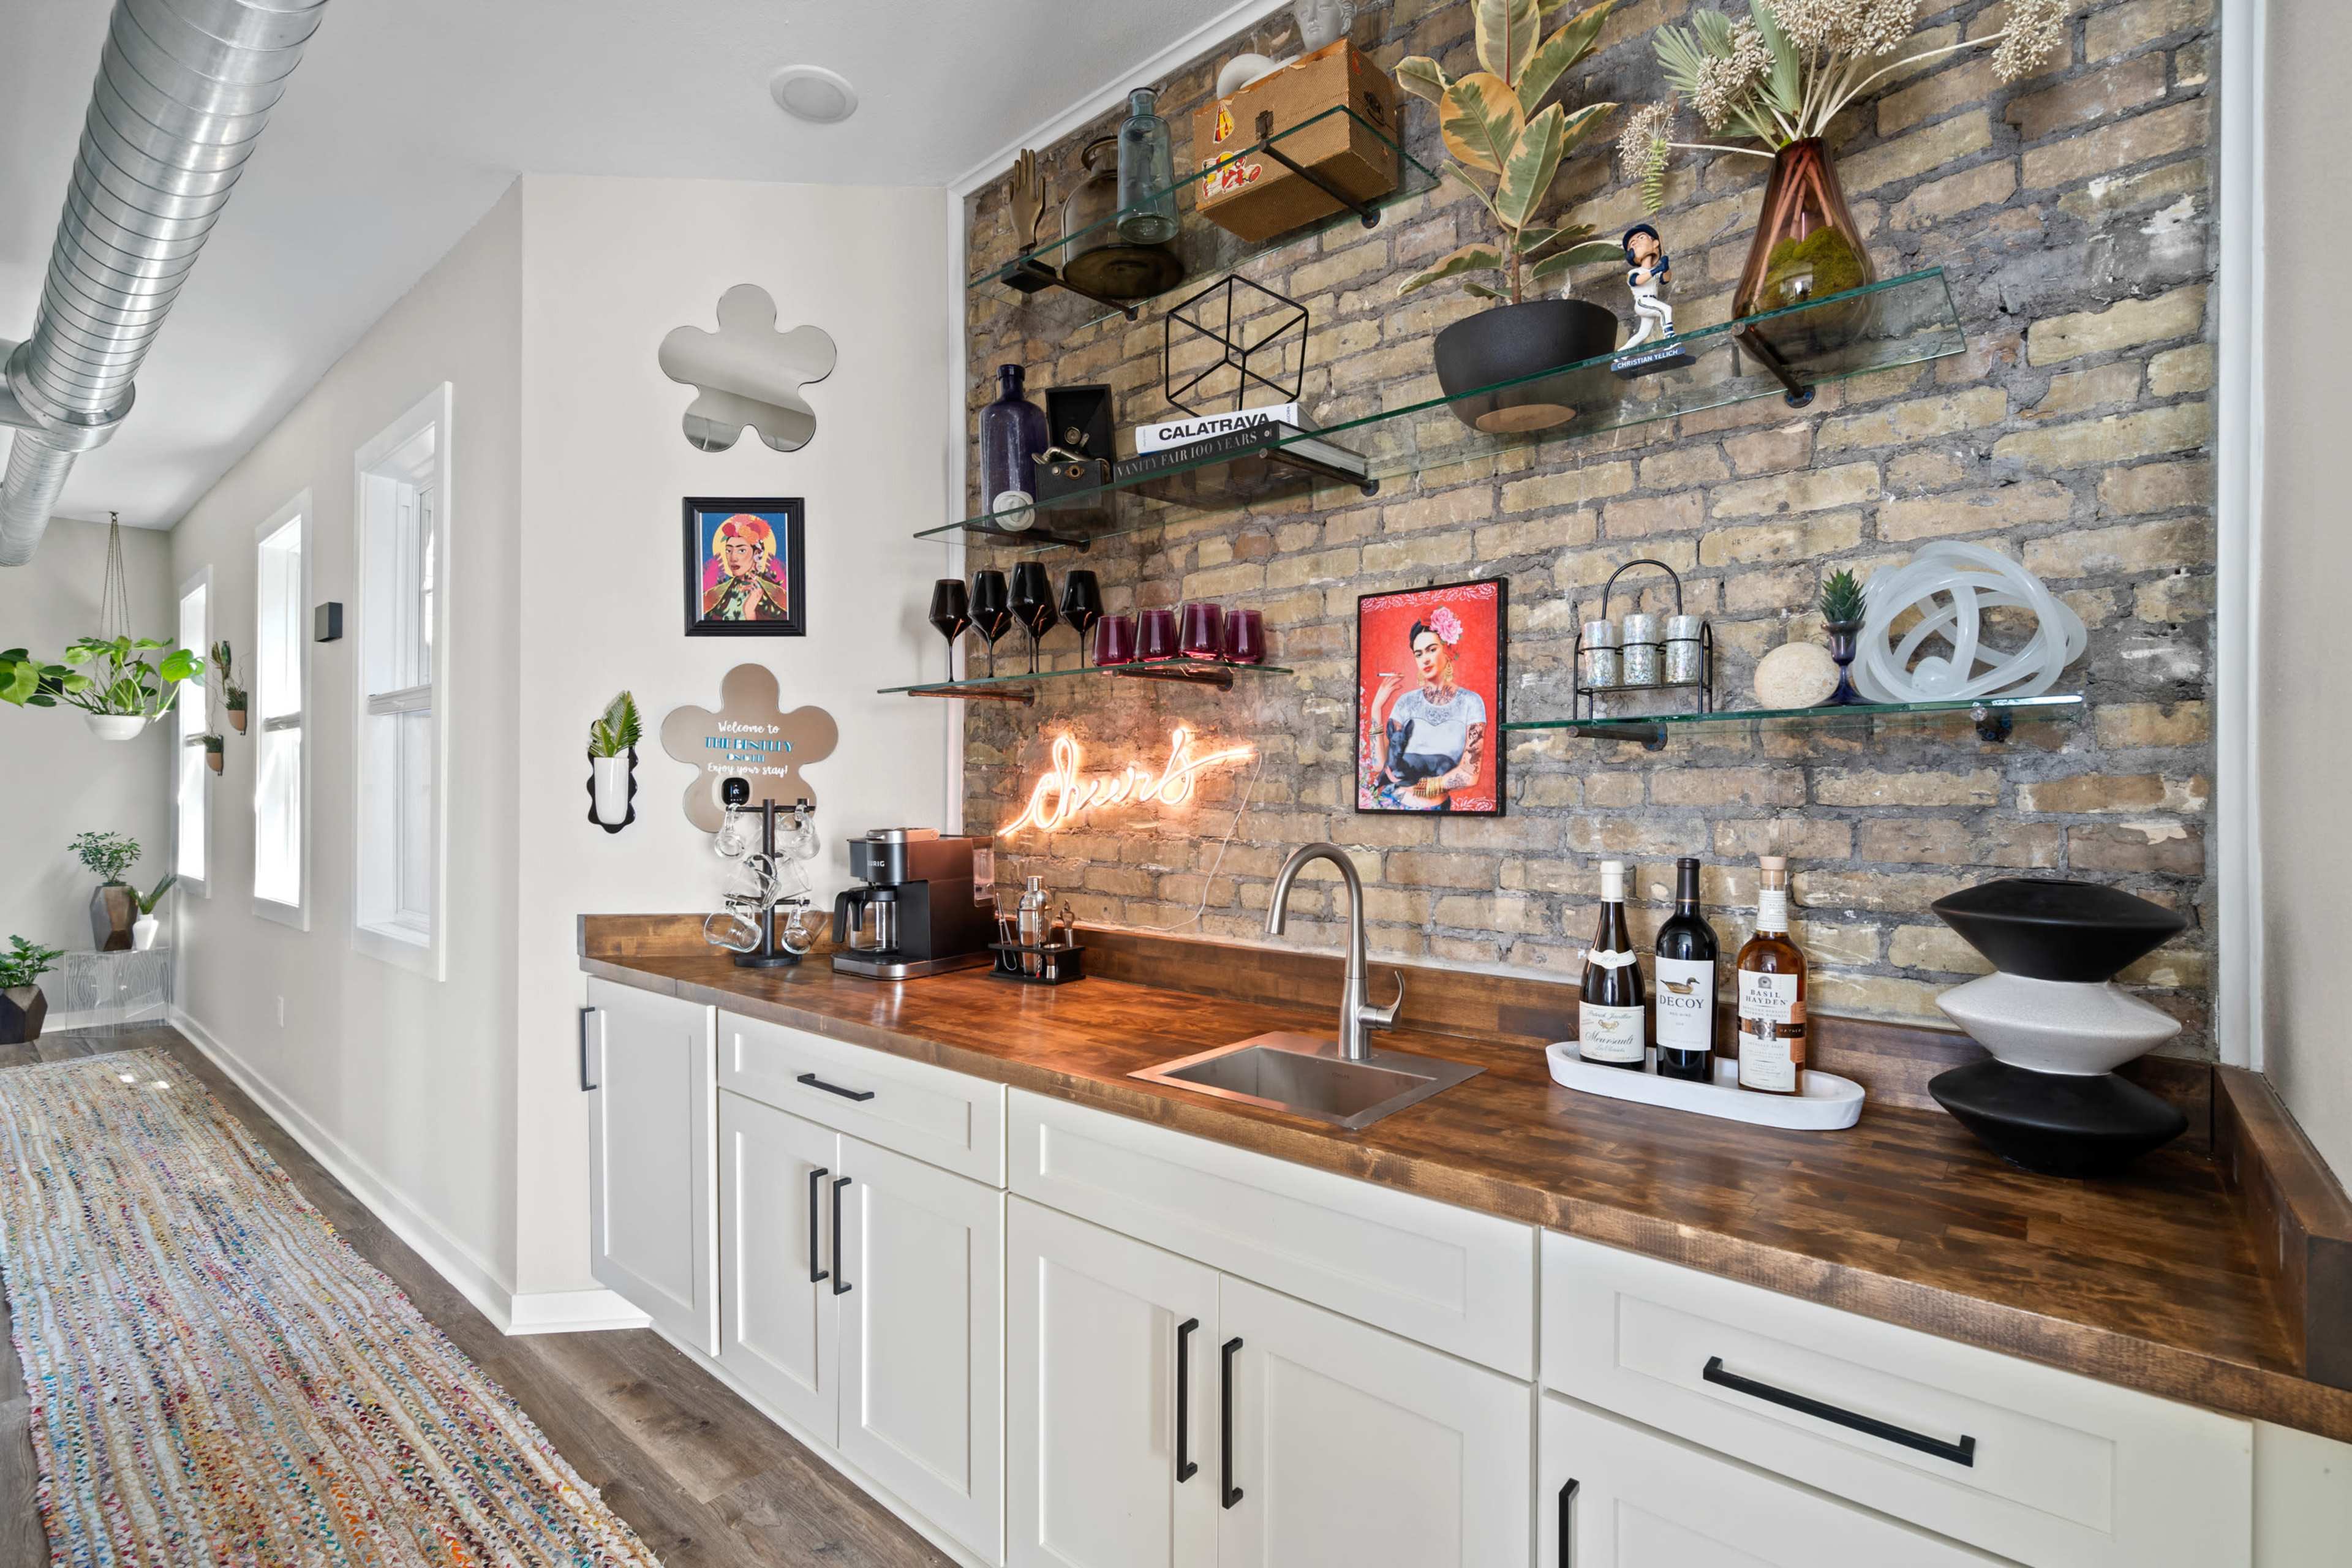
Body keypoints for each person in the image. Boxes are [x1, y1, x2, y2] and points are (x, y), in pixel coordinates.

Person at [1366, 606, 1487, 812]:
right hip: (1390, 807)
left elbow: (1469, 773)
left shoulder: (1471, 703)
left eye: (1432, 649)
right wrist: (1376, 709)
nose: (1426, 659)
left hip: (1438, 811)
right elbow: (1379, 764)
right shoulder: (1406, 702)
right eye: (1419, 654)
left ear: (1447, 648)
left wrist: (1419, 787)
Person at [703, 513, 792, 622]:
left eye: (742, 551)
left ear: (757, 553)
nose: (733, 558)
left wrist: (749, 612)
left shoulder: (773, 593)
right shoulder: (721, 591)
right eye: (729, 550)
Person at [1621, 222, 1676, 348]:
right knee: (1665, 309)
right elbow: (1637, 281)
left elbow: (1665, 279)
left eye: (1641, 238)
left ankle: (1621, 354)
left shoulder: (1654, 273)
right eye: (1632, 244)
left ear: (1655, 243)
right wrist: (1656, 270)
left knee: (1643, 334)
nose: (1636, 243)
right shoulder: (1634, 272)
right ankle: (1670, 339)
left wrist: (1666, 268)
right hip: (1642, 302)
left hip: (1651, 301)